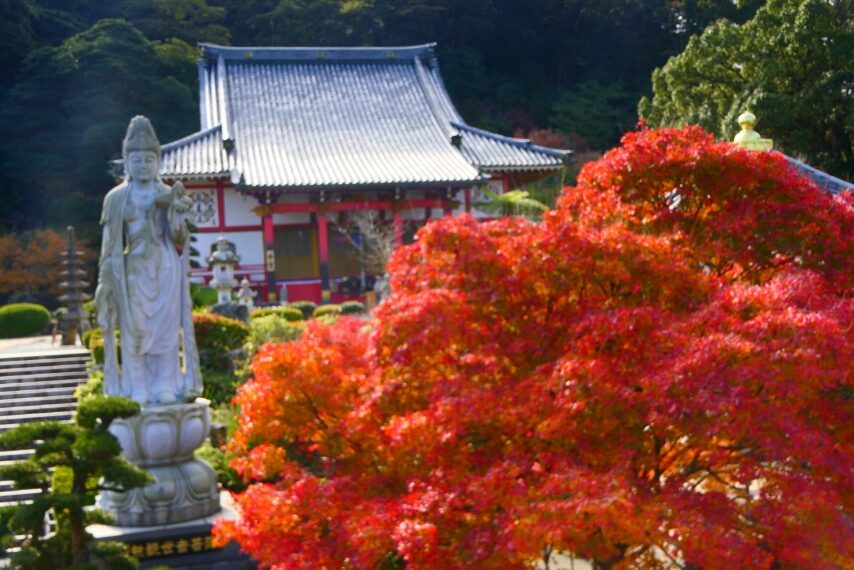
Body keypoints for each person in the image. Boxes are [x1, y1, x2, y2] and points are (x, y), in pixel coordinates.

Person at [94, 116, 201, 405]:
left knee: (166, 331)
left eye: (148, 159)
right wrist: (105, 282)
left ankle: (165, 384)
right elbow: (110, 245)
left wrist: (177, 217)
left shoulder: (167, 193)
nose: (143, 165)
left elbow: (178, 238)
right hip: (133, 270)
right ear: (127, 163)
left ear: (158, 162)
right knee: (135, 329)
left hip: (165, 267)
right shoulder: (116, 198)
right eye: (137, 159)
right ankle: (138, 386)